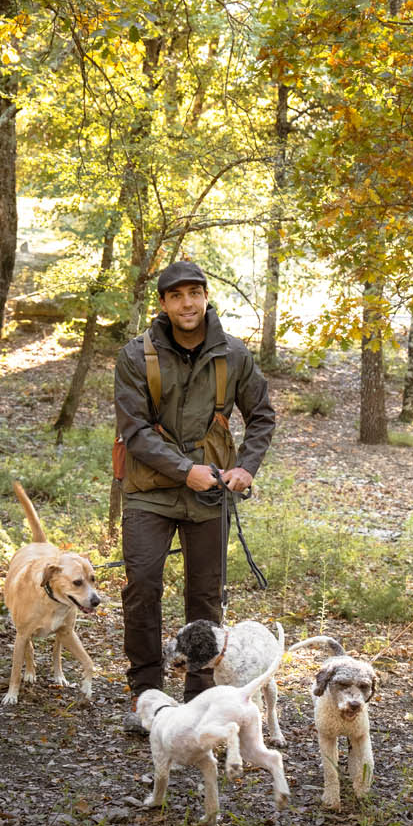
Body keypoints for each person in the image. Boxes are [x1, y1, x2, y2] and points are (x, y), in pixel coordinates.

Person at [114, 260, 276, 730]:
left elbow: (262, 416)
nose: (187, 303)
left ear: (206, 297)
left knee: (205, 599)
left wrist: (245, 466)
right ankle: (145, 696)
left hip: (211, 496)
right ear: (163, 304)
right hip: (149, 490)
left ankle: (199, 701)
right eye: (177, 295)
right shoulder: (135, 356)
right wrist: (187, 471)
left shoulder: (234, 355)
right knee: (142, 586)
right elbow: (135, 430)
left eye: (195, 293)